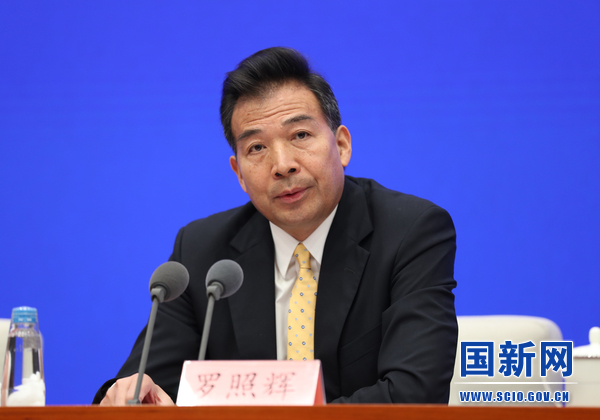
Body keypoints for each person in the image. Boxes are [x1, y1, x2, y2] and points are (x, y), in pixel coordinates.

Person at [93, 47, 458, 405]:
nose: (282, 165)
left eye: (300, 135)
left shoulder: (409, 232)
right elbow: (146, 384)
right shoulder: (202, 252)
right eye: (257, 148)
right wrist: (129, 396)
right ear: (239, 173)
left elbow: (414, 395)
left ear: (342, 145)